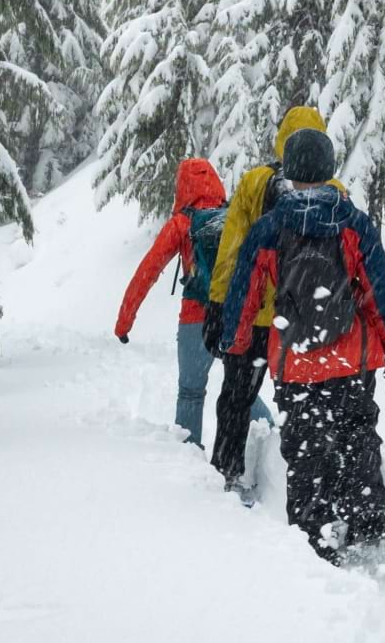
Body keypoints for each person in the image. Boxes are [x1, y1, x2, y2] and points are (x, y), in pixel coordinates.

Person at [220, 127, 385, 562]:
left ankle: (314, 537)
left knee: (306, 451)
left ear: (287, 171)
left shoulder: (269, 228)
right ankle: (368, 523)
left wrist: (236, 342)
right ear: (329, 168)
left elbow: (244, 294)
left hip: (296, 362)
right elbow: (380, 292)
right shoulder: (353, 224)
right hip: (351, 360)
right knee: (357, 437)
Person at [203, 106, 345, 492]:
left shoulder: (253, 183)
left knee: (236, 398)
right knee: (308, 408)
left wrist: (218, 307)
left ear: (282, 139)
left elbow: (231, 251)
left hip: (253, 317)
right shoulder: (336, 193)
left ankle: (226, 472)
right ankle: (313, 490)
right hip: (305, 323)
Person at [113, 157, 271, 447]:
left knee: (191, 392)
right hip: (232, 315)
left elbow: (147, 272)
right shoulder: (234, 216)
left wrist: (124, 322)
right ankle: (271, 438)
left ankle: (189, 461)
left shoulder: (182, 224)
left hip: (195, 319)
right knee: (240, 385)